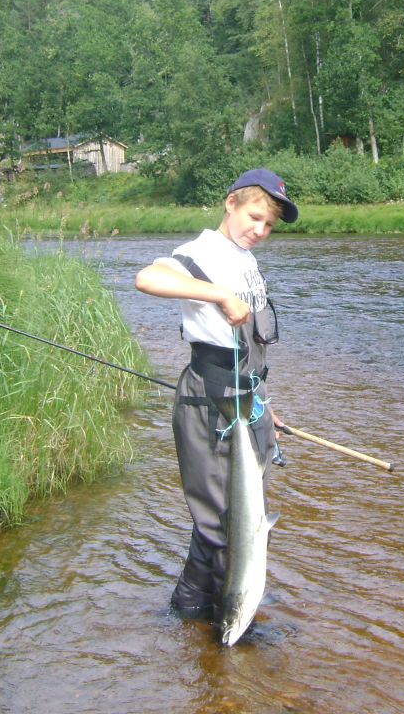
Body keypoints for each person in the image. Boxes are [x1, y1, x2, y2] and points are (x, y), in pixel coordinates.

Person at [134, 167, 298, 620]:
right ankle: (222, 628)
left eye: (268, 225)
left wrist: (267, 407)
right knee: (225, 523)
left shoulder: (247, 258)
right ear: (230, 203)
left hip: (247, 398)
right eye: (254, 216)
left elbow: (252, 350)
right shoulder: (202, 251)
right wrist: (219, 296)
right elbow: (148, 279)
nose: (260, 230)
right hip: (210, 400)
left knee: (241, 519)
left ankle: (193, 616)